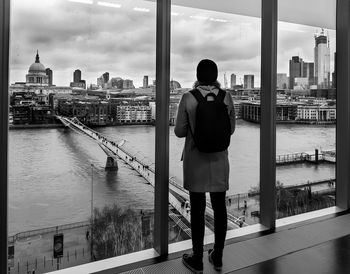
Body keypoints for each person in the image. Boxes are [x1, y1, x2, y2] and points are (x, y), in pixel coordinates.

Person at [175, 59, 236, 273]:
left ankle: (197, 260)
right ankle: (217, 256)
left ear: (198, 75)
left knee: (198, 210)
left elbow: (179, 131)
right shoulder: (226, 96)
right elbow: (231, 130)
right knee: (220, 209)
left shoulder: (188, 97)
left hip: (196, 160)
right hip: (219, 160)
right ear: (216, 75)